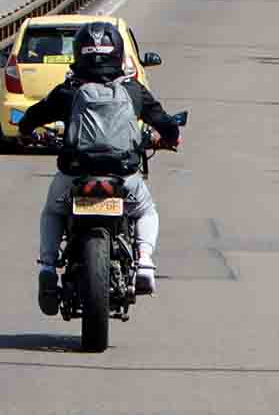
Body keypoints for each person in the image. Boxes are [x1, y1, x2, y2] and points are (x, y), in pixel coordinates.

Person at [18, 21, 183, 312]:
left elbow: (31, 118)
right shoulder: (132, 90)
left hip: (74, 174)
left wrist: (27, 132)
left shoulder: (68, 91)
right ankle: (145, 262)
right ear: (117, 53)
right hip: (124, 175)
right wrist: (170, 138)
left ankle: (47, 268)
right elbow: (166, 123)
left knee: (53, 211)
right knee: (146, 210)